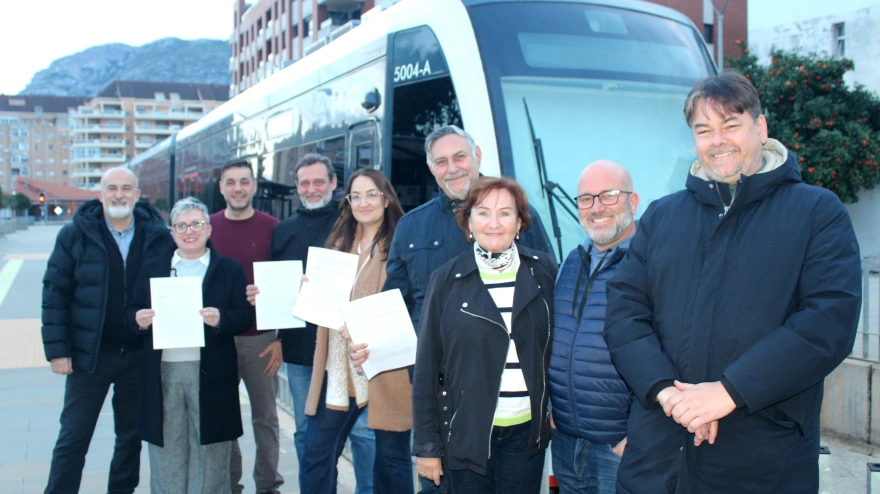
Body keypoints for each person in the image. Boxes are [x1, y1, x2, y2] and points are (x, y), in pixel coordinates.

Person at [604, 69, 862, 493]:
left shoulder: (817, 212)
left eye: (730, 125)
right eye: (703, 130)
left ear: (761, 127)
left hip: (762, 459)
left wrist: (728, 392)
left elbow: (826, 323)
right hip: (658, 456)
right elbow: (623, 315)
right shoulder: (662, 216)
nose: (717, 140)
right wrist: (670, 396)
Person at [412, 177, 557, 493]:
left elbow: (558, 348)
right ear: (468, 222)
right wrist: (426, 446)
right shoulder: (446, 280)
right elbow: (426, 368)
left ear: (519, 222)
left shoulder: (544, 270)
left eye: (505, 213)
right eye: (483, 213)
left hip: (526, 436)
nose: (494, 223)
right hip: (467, 434)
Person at [41, 167, 174, 494]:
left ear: (137, 195)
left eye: (126, 188)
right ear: (100, 195)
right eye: (112, 188)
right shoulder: (75, 234)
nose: (119, 194)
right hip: (90, 356)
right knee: (73, 438)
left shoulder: (157, 236)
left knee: (129, 439)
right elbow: (55, 292)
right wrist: (58, 351)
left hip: (138, 355)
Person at [289, 167, 412, 493]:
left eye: (371, 194)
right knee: (316, 451)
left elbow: (405, 301)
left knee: (391, 460)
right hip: (340, 368)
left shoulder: (402, 242)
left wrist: (358, 323)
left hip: (387, 367)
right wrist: (310, 291)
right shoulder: (339, 241)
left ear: (386, 199)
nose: (363, 203)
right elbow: (326, 300)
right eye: (355, 196)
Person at [258, 153, 375, 491]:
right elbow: (279, 291)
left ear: (334, 183)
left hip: (347, 348)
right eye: (305, 183)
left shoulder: (353, 223)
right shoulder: (283, 231)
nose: (312, 189)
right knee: (305, 431)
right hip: (300, 351)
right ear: (296, 187)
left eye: (319, 182)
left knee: (362, 433)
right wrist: (267, 302)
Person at [130, 197, 254, 493]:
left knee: (210, 453)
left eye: (197, 224)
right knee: (167, 452)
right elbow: (130, 311)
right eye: (181, 225)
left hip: (212, 371)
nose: (189, 231)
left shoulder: (228, 269)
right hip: (164, 371)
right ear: (172, 231)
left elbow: (244, 316)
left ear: (209, 229)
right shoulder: (153, 268)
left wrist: (221, 318)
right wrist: (139, 319)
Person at [548, 160, 639, 493]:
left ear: (633, 201)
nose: (596, 207)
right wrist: (551, 408)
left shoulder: (651, 263)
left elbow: (672, 352)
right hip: (566, 440)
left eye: (608, 195)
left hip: (619, 446)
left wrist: (639, 433)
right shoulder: (571, 261)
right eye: (586, 199)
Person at [207, 160, 283, 494]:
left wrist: (281, 340)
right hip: (218, 340)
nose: (237, 188)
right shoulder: (207, 228)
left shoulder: (273, 228)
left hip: (261, 340)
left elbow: (288, 285)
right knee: (224, 419)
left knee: (265, 419)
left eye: (244, 181)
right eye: (231, 182)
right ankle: (229, 485)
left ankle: (268, 486)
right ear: (221, 188)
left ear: (254, 186)